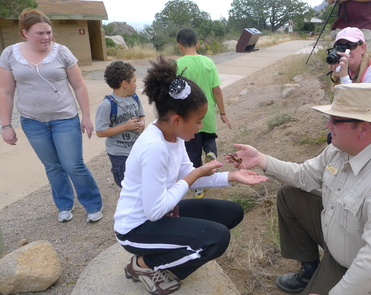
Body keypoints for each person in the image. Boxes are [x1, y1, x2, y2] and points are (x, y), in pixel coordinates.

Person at [227, 83, 371, 295]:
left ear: (363, 128)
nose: (328, 125)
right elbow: (304, 175)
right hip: (339, 246)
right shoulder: (339, 151)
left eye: (336, 120)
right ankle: (310, 272)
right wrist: (261, 159)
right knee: (290, 195)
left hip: (369, 279)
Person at [113, 56, 268, 295]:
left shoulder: (173, 135)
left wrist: (232, 177)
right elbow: (157, 207)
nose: (200, 128)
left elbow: (191, 175)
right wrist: (190, 178)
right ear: (177, 119)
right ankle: (143, 265)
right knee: (217, 239)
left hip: (161, 215)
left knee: (231, 213)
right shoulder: (154, 147)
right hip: (136, 229)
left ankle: (166, 255)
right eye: (198, 122)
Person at [0, 9, 103, 223]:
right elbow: (6, 92)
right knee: (53, 166)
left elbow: (79, 85)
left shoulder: (62, 52)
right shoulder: (10, 54)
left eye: (49, 32)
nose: (47, 37)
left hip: (64, 118)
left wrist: (85, 116)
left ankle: (93, 204)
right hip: (32, 122)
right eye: (40, 33)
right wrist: (6, 125)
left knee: (73, 164)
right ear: (24, 33)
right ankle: (64, 205)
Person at [175, 28, 232, 198]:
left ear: (179, 46)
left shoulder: (177, 65)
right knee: (209, 138)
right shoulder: (208, 63)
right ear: (198, 44)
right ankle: (211, 153)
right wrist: (222, 113)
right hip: (206, 113)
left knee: (192, 151)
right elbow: (217, 90)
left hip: (188, 117)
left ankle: (197, 189)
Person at [95, 61, 146, 188]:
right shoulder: (107, 105)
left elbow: (141, 115)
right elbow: (100, 132)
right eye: (134, 81)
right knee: (126, 185)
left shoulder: (134, 97)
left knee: (141, 182)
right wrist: (124, 127)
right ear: (124, 83)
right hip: (119, 154)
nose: (136, 84)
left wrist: (142, 124)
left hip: (137, 150)